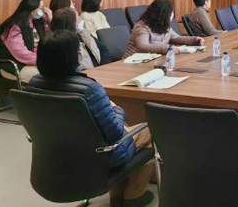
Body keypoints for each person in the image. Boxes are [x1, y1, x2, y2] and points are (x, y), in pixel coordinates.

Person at [26, 30, 154, 207]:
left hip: (55, 158)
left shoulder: (33, 85)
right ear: (74, 57)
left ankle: (117, 194)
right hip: (98, 158)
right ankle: (133, 197)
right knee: (148, 130)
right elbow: (116, 133)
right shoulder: (89, 90)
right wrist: (117, 108)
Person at [0, 0, 51, 83]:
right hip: (15, 65)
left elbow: (51, 38)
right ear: (30, 8)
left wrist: (50, 18)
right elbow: (21, 53)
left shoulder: (37, 22)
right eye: (41, 8)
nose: (42, 11)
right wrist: (43, 60)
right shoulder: (13, 26)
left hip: (35, 62)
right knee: (49, 75)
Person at [123, 0, 204, 58]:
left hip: (152, 60)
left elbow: (176, 38)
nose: (172, 15)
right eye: (170, 13)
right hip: (132, 63)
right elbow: (143, 46)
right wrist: (166, 48)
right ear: (163, 16)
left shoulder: (164, 25)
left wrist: (194, 39)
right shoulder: (142, 26)